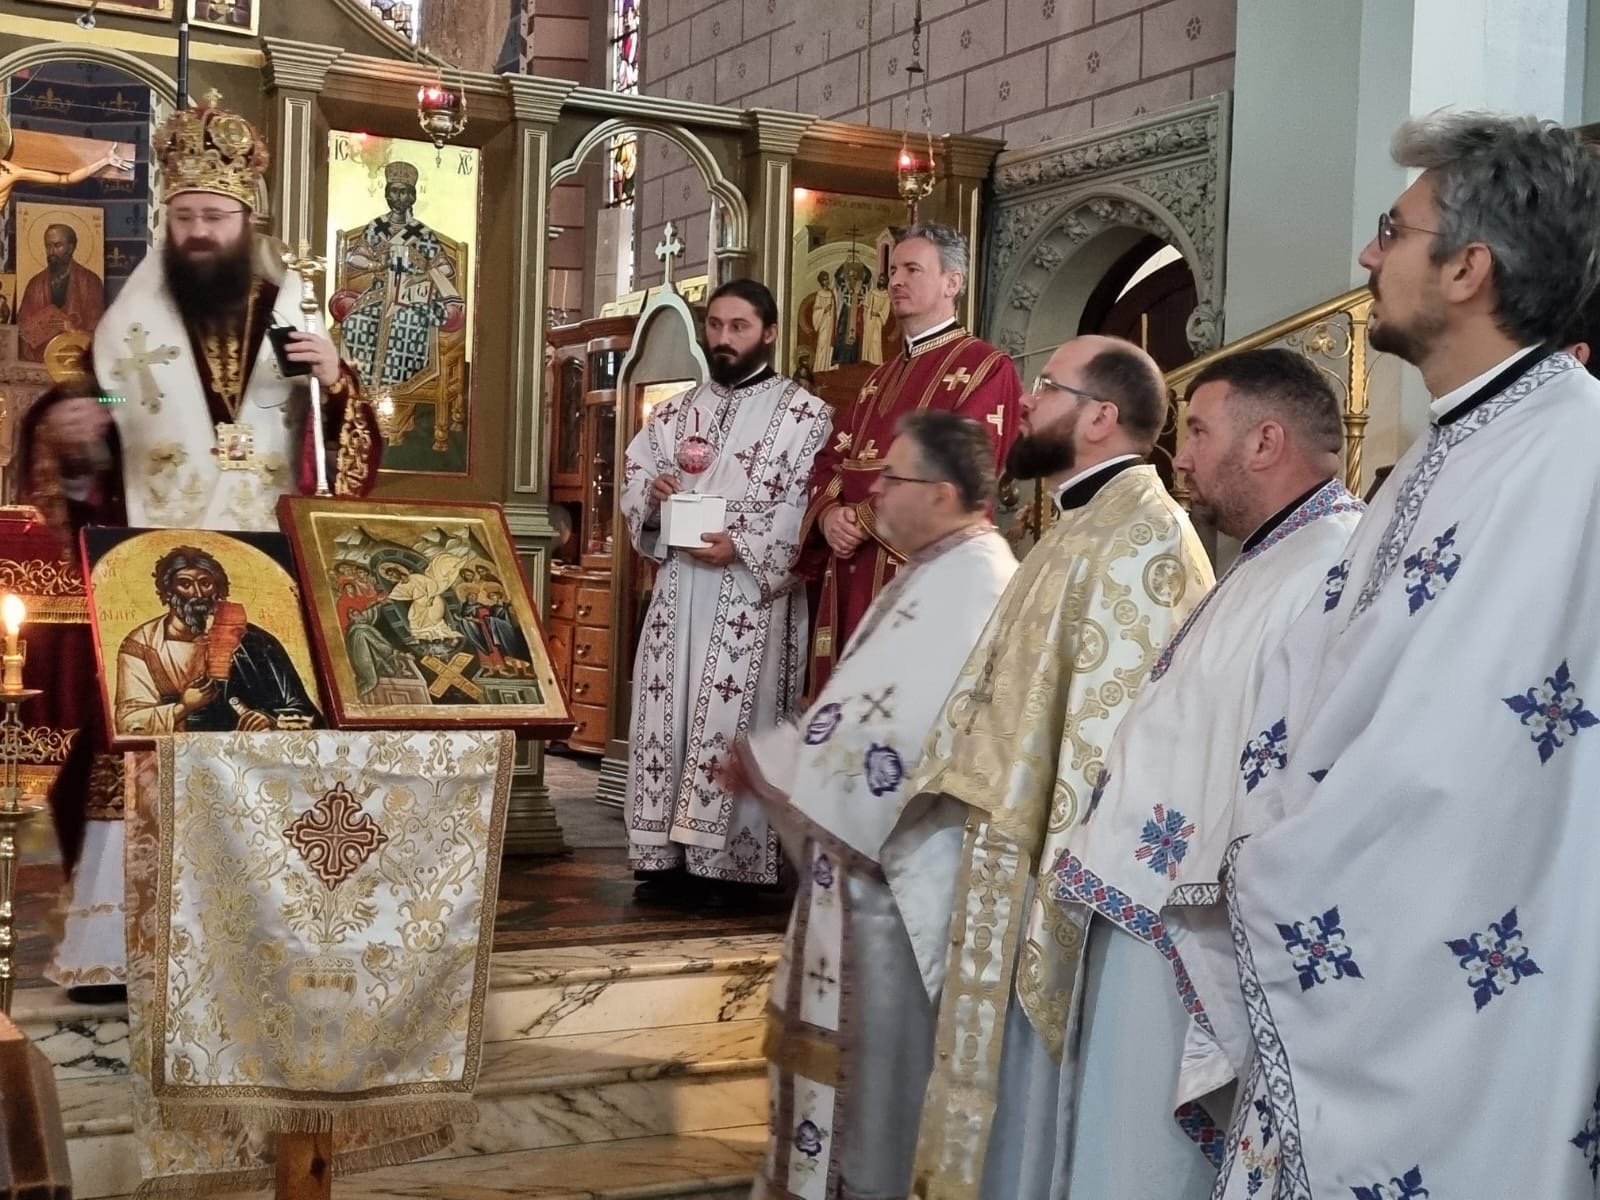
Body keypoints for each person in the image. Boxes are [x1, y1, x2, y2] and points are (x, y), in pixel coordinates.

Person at [1171, 112, 1600, 1200]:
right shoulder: (1447, 451)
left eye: (1393, 230)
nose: (1367, 254)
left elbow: (1478, 753)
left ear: (1467, 268)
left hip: (1453, 985)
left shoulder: (1569, 458)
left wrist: (1274, 858)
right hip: (1348, 912)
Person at [19, 94, 380, 996]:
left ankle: (255, 938)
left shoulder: (292, 312)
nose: (199, 233)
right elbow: (106, 401)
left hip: (266, 570)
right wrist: (79, 421)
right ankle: (116, 948)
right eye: (184, 217)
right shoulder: (131, 316)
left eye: (214, 216)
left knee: (259, 734)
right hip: (155, 563)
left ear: (245, 219)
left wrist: (337, 381)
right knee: (143, 742)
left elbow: (345, 453)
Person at [1032, 348, 1363, 1194]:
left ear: (1265, 442)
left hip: (1195, 928)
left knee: (1141, 1163)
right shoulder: (1274, 555)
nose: (1179, 458)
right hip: (1149, 912)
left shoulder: (1333, 561)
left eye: (1201, 432)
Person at [908, 335, 1214, 1200]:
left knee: (1041, 1111)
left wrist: (1053, 863)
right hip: (1009, 848)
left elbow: (1115, 738)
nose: (1025, 402)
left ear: (1100, 416)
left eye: (1045, 386)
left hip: (1056, 870)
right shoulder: (1078, 522)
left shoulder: (1144, 536)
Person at [733, 412, 1016, 1200]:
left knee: (879, 1092)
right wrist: (782, 760)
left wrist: (779, 767)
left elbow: (907, 733)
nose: (877, 491)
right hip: (857, 881)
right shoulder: (933, 568)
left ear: (944, 492)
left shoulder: (978, 581)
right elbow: (862, 704)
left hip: (895, 885)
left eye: (894, 477)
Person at [622, 279, 832, 906]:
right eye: (715, 325)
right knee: (668, 718)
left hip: (750, 597)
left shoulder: (806, 416)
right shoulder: (673, 413)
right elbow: (635, 480)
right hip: (679, 590)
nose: (723, 338)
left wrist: (740, 544)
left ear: (769, 333)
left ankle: (730, 866)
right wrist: (653, 498)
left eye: (738, 327)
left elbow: (810, 505)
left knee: (735, 721)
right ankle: (664, 857)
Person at [801, 222, 1022, 695]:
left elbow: (959, 470)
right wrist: (829, 517)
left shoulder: (986, 368)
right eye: (894, 271)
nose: (895, 281)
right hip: (853, 572)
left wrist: (861, 518)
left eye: (912, 270)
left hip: (923, 575)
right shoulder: (876, 379)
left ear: (952, 282)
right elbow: (831, 459)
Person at [114, 546, 322, 734]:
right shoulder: (142, 644)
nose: (197, 594)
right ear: (168, 592)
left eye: (205, 583)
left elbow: (307, 714)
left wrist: (270, 718)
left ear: (218, 589)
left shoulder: (255, 641)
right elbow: (129, 724)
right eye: (185, 584)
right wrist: (183, 708)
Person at [331, 159, 465, 393]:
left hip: (413, 298)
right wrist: (375, 265)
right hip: (380, 294)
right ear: (387, 194)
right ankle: (365, 386)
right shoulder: (376, 227)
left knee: (406, 322)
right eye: (394, 191)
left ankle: (395, 387)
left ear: (412, 197)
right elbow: (353, 258)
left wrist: (423, 276)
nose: (399, 197)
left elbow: (446, 268)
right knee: (356, 322)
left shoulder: (422, 233)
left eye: (404, 192)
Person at [16, 222, 106, 363]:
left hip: (74, 358)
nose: (52, 252)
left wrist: (72, 328)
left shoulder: (89, 282)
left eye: (58, 245)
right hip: (40, 359)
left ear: (71, 247)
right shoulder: (35, 284)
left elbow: (98, 328)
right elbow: (22, 326)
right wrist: (38, 328)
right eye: (48, 246)